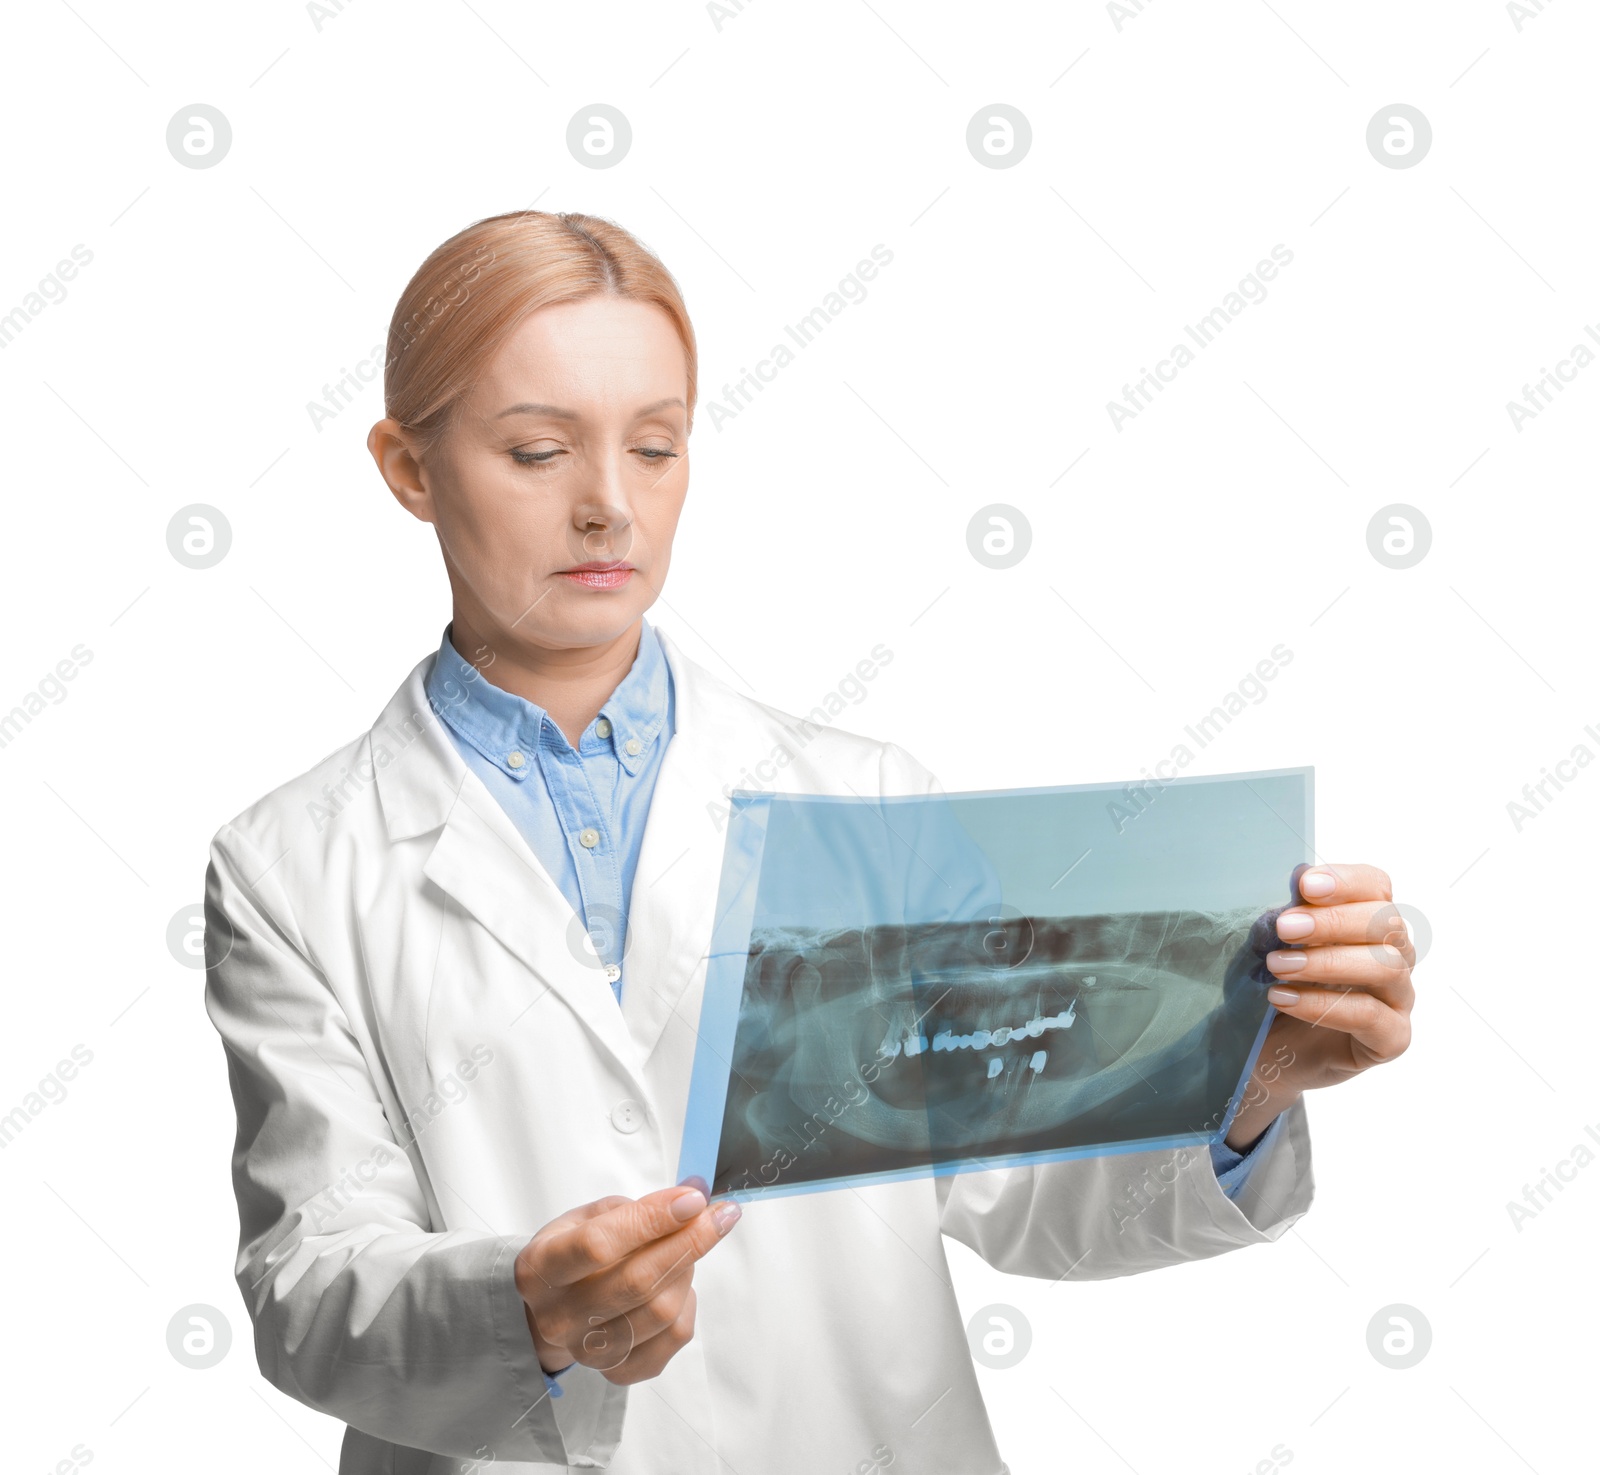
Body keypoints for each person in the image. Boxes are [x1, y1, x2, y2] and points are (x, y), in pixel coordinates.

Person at [203, 210, 1416, 1475]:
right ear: (408, 466)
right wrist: (527, 1304)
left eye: (656, 446)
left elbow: (1024, 1187)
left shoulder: (864, 804)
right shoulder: (293, 864)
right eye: (537, 449)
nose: (609, 505)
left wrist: (1250, 1079)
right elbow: (310, 1276)